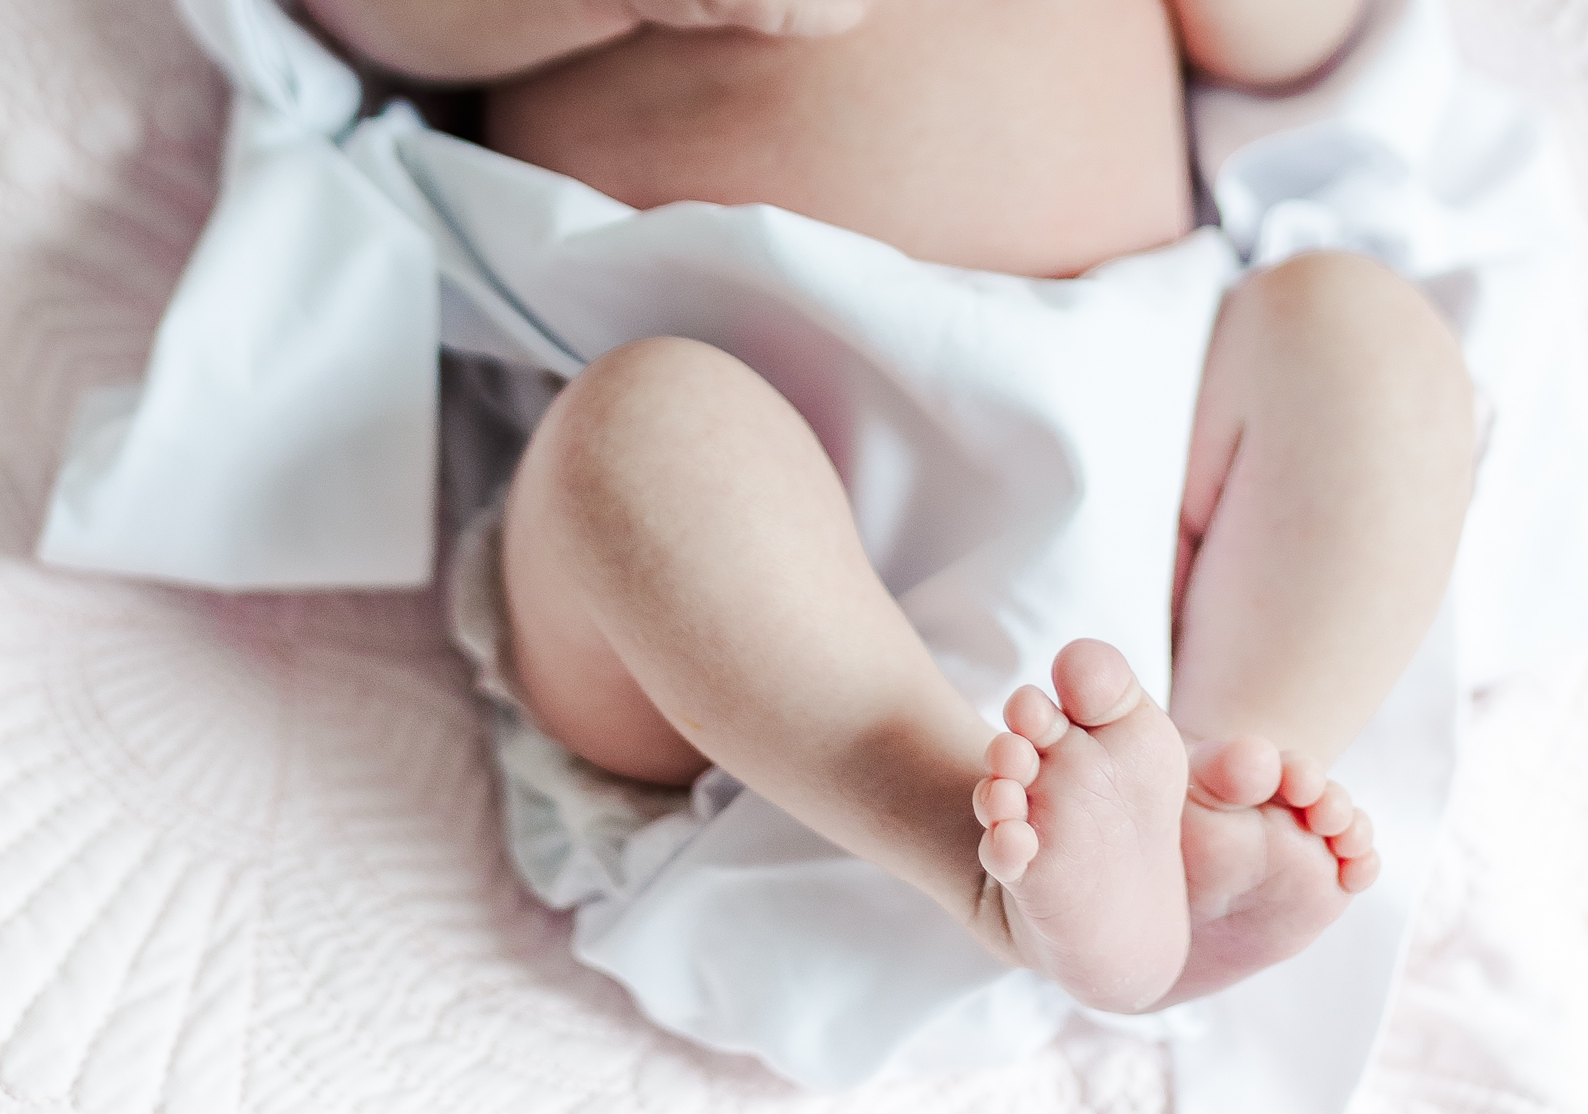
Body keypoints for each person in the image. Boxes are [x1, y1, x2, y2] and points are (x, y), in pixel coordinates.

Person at [298, 0, 1476, 1015]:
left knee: (1362, 336)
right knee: (634, 434)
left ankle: (1223, 794)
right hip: (730, 545)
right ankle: (969, 850)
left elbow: (1288, 41)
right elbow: (373, 21)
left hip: (1142, 432)